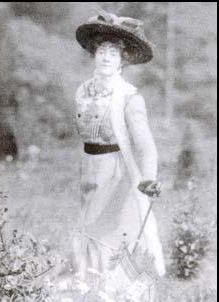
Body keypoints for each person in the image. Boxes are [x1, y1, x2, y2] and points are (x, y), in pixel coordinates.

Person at [69, 11, 166, 280]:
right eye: (101, 50)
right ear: (93, 53)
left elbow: (145, 145)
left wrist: (148, 179)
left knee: (109, 232)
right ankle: (87, 287)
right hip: (90, 168)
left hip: (117, 173)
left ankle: (112, 294)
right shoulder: (83, 91)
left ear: (123, 60)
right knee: (86, 228)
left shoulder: (129, 98)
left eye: (113, 53)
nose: (106, 57)